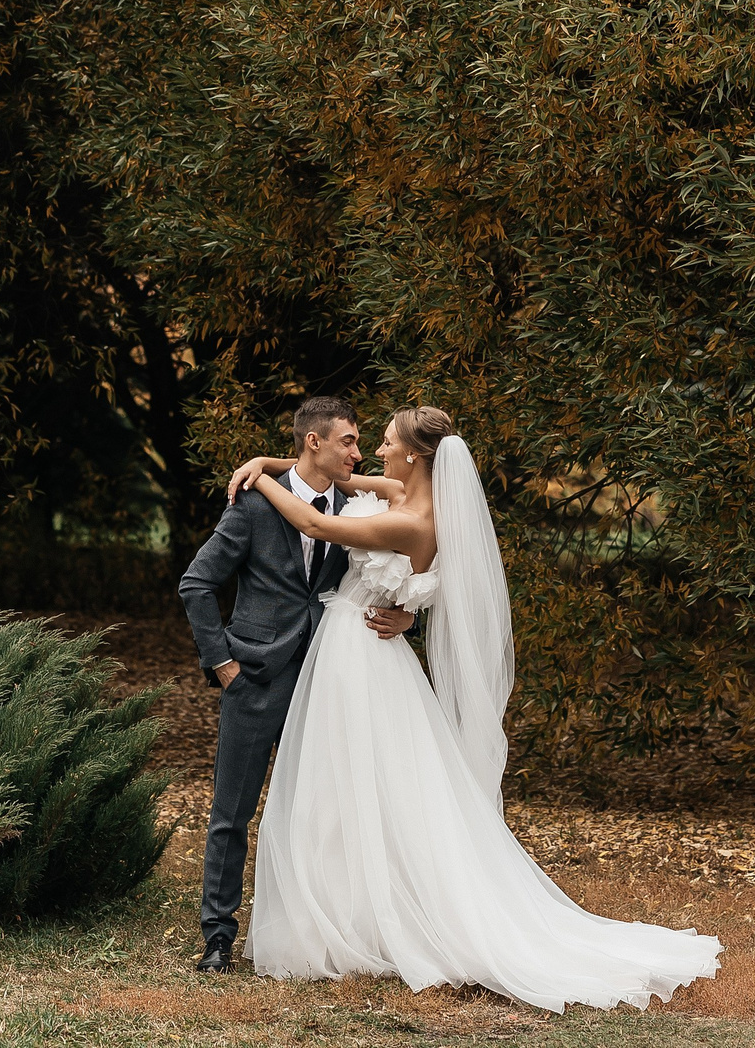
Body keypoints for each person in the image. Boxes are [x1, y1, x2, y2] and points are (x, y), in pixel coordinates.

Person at [221, 405, 720, 1013]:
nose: (375, 451)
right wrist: (268, 461)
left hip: (359, 655)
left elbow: (315, 524)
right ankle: (352, 914)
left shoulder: (414, 520)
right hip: (357, 649)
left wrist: (255, 477)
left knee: (362, 784)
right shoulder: (400, 491)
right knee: (344, 788)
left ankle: (377, 920)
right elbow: (340, 481)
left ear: (413, 454)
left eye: (384, 442)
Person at [177, 395, 413, 974]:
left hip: (328, 679)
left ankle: (311, 932)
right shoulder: (253, 507)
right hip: (254, 675)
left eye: (362, 442)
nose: (359, 453)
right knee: (232, 811)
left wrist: (409, 616)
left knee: (322, 813)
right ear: (314, 442)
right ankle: (217, 937)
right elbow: (196, 584)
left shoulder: (356, 507)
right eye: (349, 442)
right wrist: (223, 663)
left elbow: (405, 564)